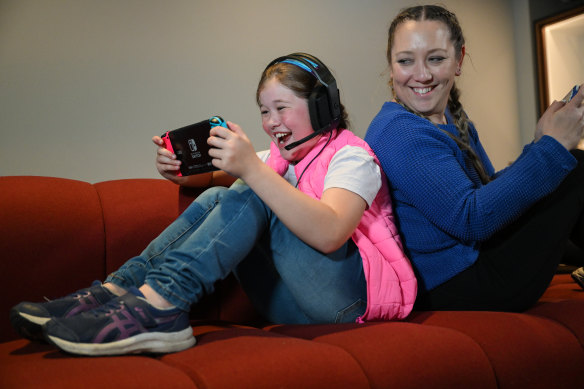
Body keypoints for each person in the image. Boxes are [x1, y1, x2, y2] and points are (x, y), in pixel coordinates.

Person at [10, 53, 416, 356]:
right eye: (264, 111)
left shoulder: (352, 156)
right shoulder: (278, 160)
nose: (272, 122)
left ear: (320, 107)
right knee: (222, 194)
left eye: (282, 108)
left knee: (254, 188)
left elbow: (330, 233)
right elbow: (210, 181)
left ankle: (164, 305)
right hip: (294, 306)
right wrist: (178, 169)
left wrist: (253, 173)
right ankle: (116, 292)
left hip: (351, 306)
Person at [364, 5, 584, 312]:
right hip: (456, 284)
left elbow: (486, 194)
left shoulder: (453, 118)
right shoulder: (398, 130)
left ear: (459, 60)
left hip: (477, 260)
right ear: (391, 66)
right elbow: (471, 220)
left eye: (436, 58)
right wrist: (551, 148)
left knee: (569, 173)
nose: (422, 74)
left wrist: (539, 144)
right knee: (576, 169)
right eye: (405, 61)